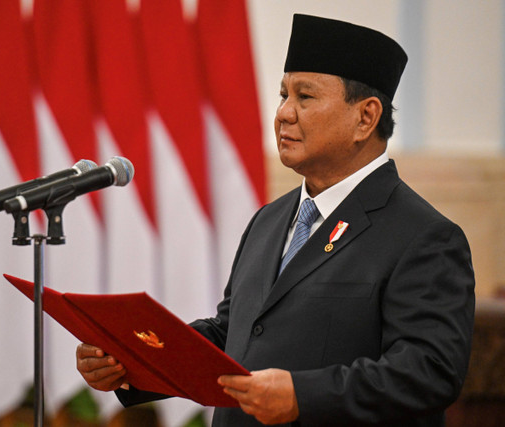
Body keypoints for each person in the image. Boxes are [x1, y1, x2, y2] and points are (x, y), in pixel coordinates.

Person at [75, 14, 475, 426]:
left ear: (366, 117)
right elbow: (234, 335)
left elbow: (429, 372)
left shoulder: (424, 236)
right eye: (283, 94)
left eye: (305, 97)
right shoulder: (270, 219)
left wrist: (304, 396)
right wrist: (131, 360)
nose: (283, 113)